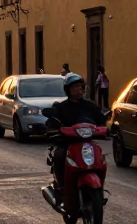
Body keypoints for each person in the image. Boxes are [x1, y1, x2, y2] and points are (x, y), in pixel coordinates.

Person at [46, 73, 107, 201]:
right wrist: (53, 128)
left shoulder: (89, 105)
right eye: (75, 87)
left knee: (100, 156)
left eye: (80, 87)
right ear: (68, 90)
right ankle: (62, 188)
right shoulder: (61, 107)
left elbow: (101, 119)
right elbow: (53, 122)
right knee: (59, 155)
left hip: (87, 142)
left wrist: (107, 128)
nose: (78, 90)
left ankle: (99, 188)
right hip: (68, 143)